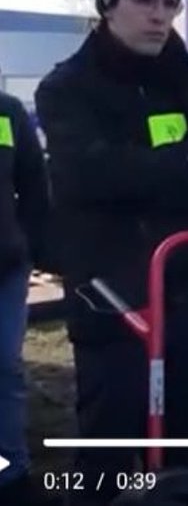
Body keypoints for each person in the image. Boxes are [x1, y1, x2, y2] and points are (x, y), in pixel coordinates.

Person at [35, 0, 188, 506]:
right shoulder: (66, 88)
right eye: (144, 0)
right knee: (109, 453)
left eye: (169, 4)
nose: (159, 15)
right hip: (113, 297)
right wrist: (187, 162)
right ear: (108, 5)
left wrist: (144, 169)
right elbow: (89, 177)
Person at [0, 93, 50, 505]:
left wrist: (33, 248)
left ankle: (11, 476)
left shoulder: (7, 111)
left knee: (4, 368)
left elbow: (34, 184)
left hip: (5, 267)